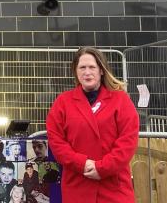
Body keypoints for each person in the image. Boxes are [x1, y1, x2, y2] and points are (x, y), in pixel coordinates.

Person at [46, 46, 139, 203]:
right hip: (78, 185)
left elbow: (128, 140)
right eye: (82, 67)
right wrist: (81, 163)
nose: (87, 72)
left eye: (92, 67)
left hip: (113, 186)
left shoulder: (120, 100)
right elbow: (56, 141)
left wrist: (103, 168)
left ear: (101, 70)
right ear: (75, 71)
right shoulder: (63, 102)